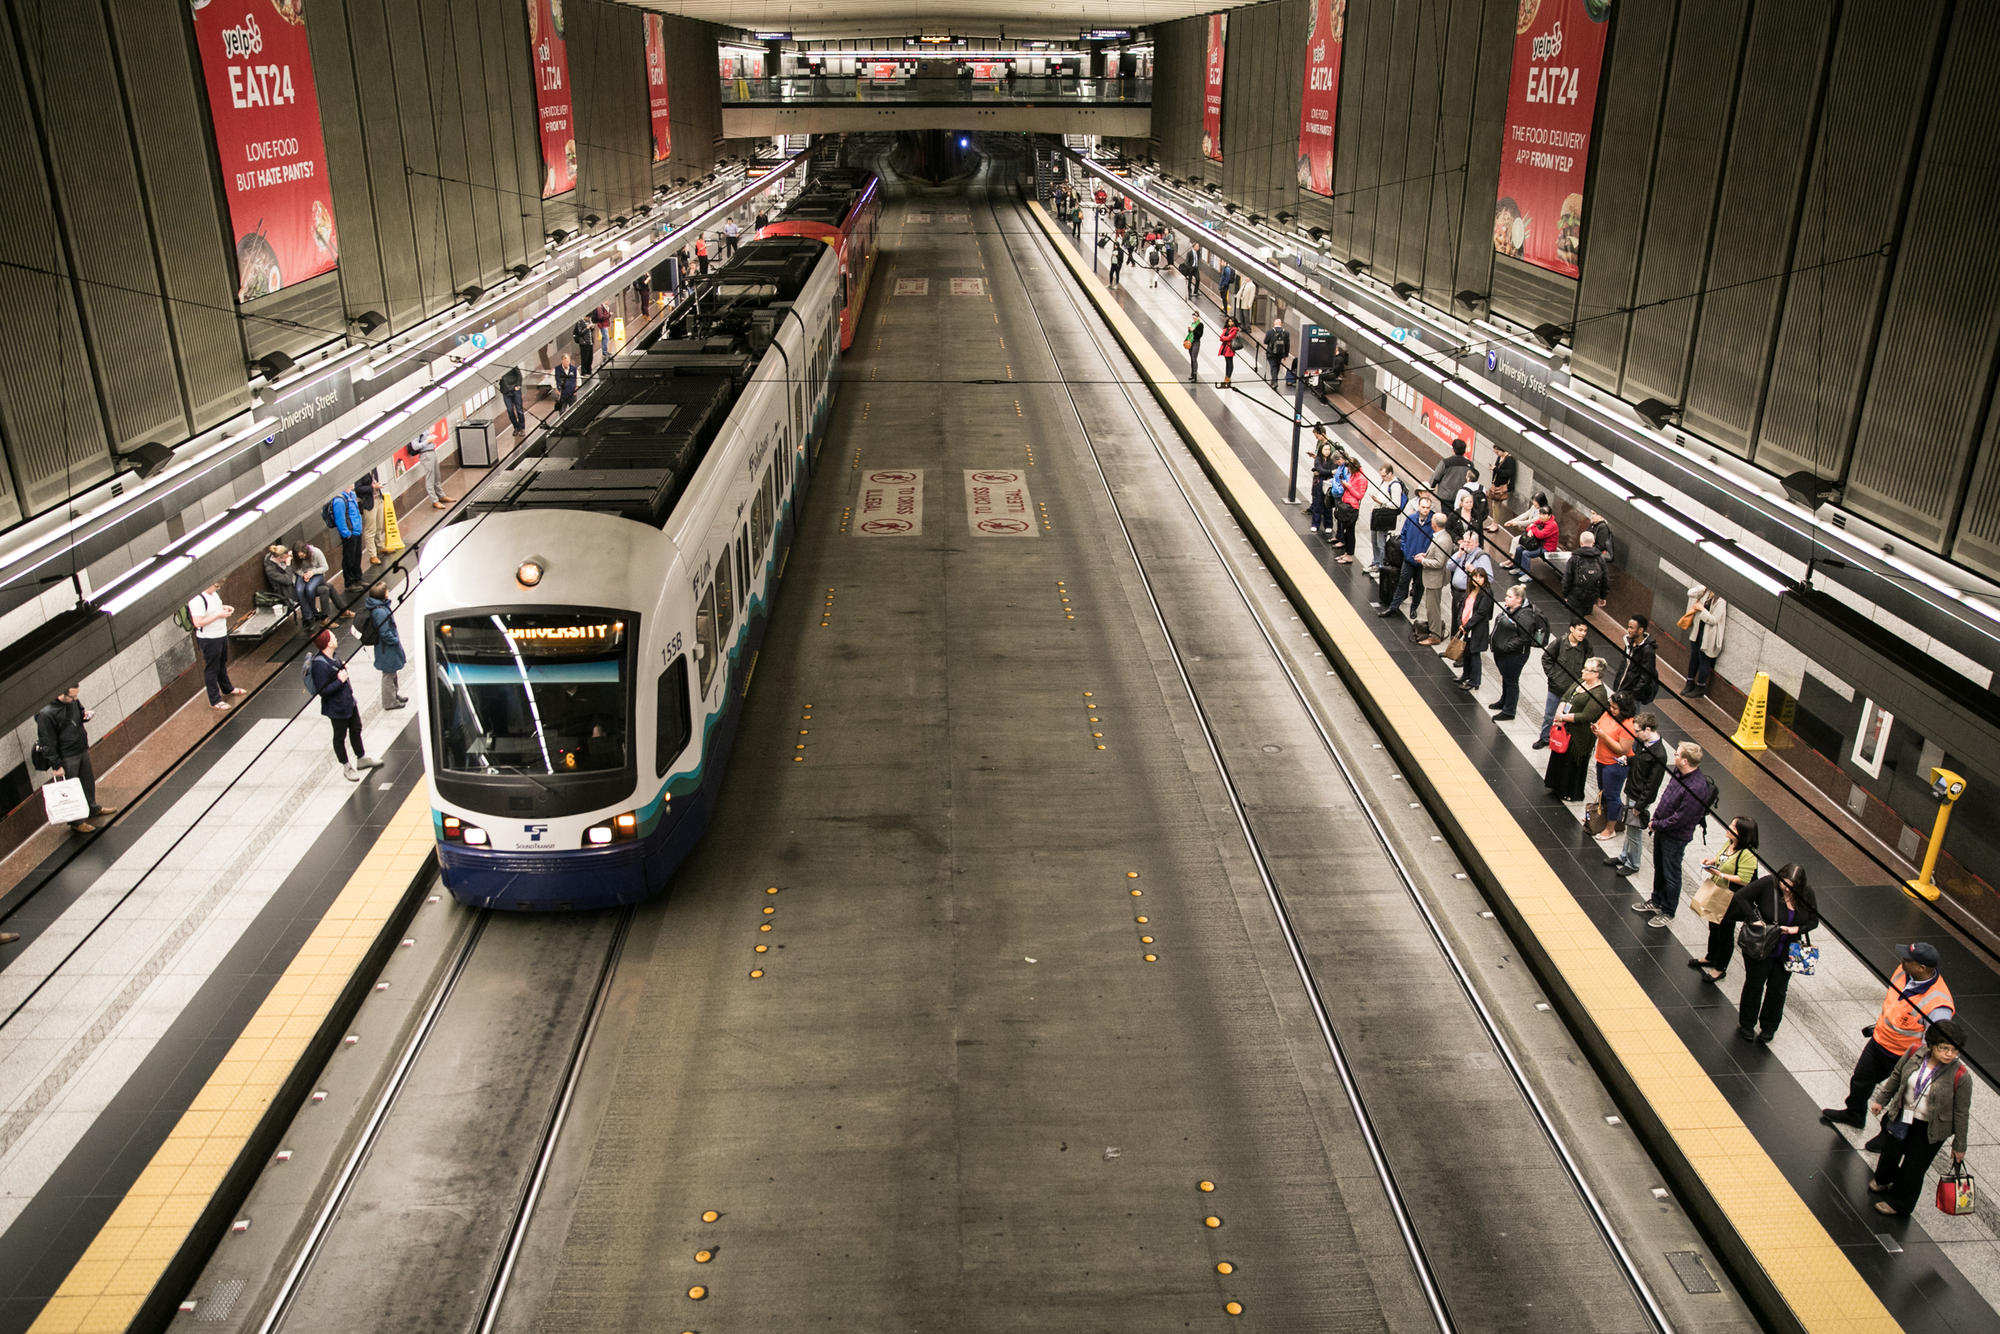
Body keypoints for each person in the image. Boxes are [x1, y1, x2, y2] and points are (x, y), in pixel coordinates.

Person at [1823, 942, 1956, 1129]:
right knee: (1861, 1079)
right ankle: (1854, 1114)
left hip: (1903, 1057)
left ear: (1922, 967)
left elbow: (1934, 1043)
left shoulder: (1938, 1005)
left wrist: (1920, 1068)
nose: (1902, 960)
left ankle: (1888, 1135)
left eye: (1907, 959)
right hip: (1879, 1041)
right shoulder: (1903, 972)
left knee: (1901, 1098)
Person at [1866, 1018, 1970, 1218]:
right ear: (1931, 1046)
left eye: (1955, 1050)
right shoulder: (1915, 1052)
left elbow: (1961, 1112)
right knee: (1890, 1152)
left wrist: (1960, 1145)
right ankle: (1883, 1179)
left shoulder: (1960, 1075)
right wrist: (1881, 1099)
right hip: (1903, 1115)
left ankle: (1900, 1203)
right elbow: (1897, 1076)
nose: (1950, 1054)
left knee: (1914, 1167)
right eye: (1944, 1048)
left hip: (1930, 1128)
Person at [1732, 865, 1818, 1042]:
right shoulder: (1767, 884)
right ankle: (1747, 1024)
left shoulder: (1807, 893)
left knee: (1778, 990)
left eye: (1791, 886)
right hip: (1761, 946)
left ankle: (1769, 1027)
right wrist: (1754, 919)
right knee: (1754, 985)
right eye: (1784, 884)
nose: (1786, 889)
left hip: (1787, 950)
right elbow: (1741, 896)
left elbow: (1814, 920)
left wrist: (1797, 929)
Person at [1633, 743, 1716, 927]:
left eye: (1677, 754)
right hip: (1663, 829)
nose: (1675, 756)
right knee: (1660, 867)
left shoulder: (1696, 788)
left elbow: (1681, 818)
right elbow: (1667, 798)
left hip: (1675, 836)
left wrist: (1657, 824)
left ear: (1685, 761)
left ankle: (1668, 910)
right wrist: (1657, 820)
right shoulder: (1679, 773)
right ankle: (1656, 901)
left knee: (1671, 873)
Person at [1690, 815, 1763, 979]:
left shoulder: (1748, 854)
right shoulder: (1730, 844)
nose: (1729, 827)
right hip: (1718, 892)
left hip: (1731, 898)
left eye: (1734, 827)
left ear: (1743, 833)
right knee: (1713, 926)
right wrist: (1711, 862)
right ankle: (1711, 957)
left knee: (1725, 932)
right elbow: (1721, 858)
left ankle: (1720, 967)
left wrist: (1721, 874)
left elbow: (1744, 879)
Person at [36, 685, 116, 833]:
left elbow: (79, 713)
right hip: (66, 756)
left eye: (76, 695)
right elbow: (47, 742)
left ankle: (92, 808)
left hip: (80, 748)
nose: (75, 699)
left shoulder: (72, 701)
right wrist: (56, 765)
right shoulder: (46, 714)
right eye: (72, 697)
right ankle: (76, 822)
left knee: (87, 781)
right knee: (71, 789)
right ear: (61, 694)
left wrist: (85, 715)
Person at [306, 629, 381, 780]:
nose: (336, 637)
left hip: (348, 702)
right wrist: (340, 680)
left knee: (356, 728)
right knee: (340, 736)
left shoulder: (332, 656)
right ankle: (346, 766)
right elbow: (323, 691)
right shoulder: (319, 665)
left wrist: (342, 669)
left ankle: (361, 757)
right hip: (337, 707)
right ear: (328, 643)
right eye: (333, 636)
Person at [1607, 712, 1668, 876]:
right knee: (1629, 826)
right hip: (1632, 789)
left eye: (1637, 731)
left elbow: (1653, 784)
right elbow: (1640, 762)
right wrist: (1628, 760)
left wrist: (1640, 805)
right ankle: (1624, 856)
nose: (1635, 734)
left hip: (1640, 797)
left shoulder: (1659, 754)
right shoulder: (1644, 743)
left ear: (1648, 729)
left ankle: (1633, 864)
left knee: (1634, 831)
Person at [1543, 657, 1609, 802]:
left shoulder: (1599, 694)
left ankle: (1568, 791)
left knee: (1572, 763)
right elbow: (1566, 696)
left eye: (1587, 670)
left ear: (1596, 674)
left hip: (1580, 735)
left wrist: (1563, 718)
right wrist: (1559, 715)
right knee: (1559, 758)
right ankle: (1555, 785)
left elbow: (1586, 715)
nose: (1583, 671)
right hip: (1565, 728)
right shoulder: (1581, 681)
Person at [1487, 583, 1543, 720]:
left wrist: (1506, 647)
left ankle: (1509, 710)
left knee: (1511, 681)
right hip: (1503, 652)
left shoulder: (1525, 616)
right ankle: (1504, 700)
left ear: (1519, 599)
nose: (1505, 598)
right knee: (1506, 678)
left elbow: (1524, 638)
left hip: (1515, 655)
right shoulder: (1510, 609)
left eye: (1509, 596)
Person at [1380, 497, 1436, 626]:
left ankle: (1413, 608)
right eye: (1423, 507)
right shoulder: (1411, 519)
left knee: (1419, 586)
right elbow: (1403, 535)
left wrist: (1426, 556)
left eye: (1428, 507)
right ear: (1418, 507)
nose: (1425, 510)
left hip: (1423, 563)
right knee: (1402, 583)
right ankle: (1393, 607)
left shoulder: (1433, 522)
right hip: (1409, 559)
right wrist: (1406, 550)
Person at [187, 581, 242, 710]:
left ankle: (227, 688)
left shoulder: (213, 595)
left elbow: (214, 608)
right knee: (212, 668)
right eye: (216, 586)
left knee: (222, 663)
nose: (217, 589)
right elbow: (198, 622)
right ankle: (215, 700)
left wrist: (225, 608)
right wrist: (218, 615)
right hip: (209, 638)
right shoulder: (197, 600)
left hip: (220, 633)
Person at [1535, 620, 1590, 748]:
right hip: (1556, 688)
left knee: (1568, 718)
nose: (1583, 634)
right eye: (1580, 630)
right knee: (1550, 715)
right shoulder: (1559, 643)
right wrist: (1554, 677)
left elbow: (1589, 664)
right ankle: (1545, 738)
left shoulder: (1586, 646)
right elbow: (1546, 659)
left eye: (1585, 631)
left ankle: (1563, 740)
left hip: (1574, 692)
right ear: (1572, 629)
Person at [1590, 693, 1636, 835]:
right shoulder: (1608, 713)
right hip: (1602, 759)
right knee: (1603, 790)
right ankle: (1605, 818)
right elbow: (1600, 724)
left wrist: (1603, 736)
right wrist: (1596, 729)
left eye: (1615, 708)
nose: (1611, 709)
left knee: (1612, 795)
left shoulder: (1628, 725)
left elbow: (1622, 749)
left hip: (1615, 764)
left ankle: (1611, 828)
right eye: (1611, 706)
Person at [360, 588, 408, 709]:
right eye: (386, 590)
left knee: (392, 672)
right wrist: (394, 640)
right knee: (389, 674)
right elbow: (384, 632)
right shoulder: (380, 612)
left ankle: (394, 695)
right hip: (386, 648)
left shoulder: (380, 607)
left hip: (386, 647)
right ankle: (389, 701)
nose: (388, 591)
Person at [1413, 513, 1453, 646]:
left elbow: (1439, 563)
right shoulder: (1443, 536)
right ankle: (1434, 630)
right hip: (1434, 578)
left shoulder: (1442, 540)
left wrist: (1423, 561)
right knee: (1432, 606)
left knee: (1432, 608)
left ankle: (1435, 635)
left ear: (1434, 525)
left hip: (1435, 579)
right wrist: (1426, 555)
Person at [1453, 569, 1494, 691]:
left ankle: (1474, 681)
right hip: (1466, 627)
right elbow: (1462, 606)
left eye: (1480, 577)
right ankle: (1466, 675)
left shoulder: (1486, 593)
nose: (1477, 579)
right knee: (1466, 653)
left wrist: (1466, 626)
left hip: (1477, 629)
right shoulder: (1470, 591)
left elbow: (1481, 613)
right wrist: (1460, 622)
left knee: (1474, 654)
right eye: (1475, 577)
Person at [1684, 586, 1726, 696]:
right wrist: (1702, 587)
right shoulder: (1705, 591)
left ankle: (1700, 687)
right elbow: (1690, 593)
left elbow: (1714, 620)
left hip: (1708, 635)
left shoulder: (1721, 600)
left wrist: (1702, 609)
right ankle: (1689, 682)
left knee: (1704, 660)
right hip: (1697, 631)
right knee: (1694, 657)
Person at [1505, 496, 1558, 578]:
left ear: (1549, 515)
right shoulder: (1542, 519)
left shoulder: (1552, 525)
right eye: (1540, 514)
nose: (1541, 516)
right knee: (1519, 549)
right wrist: (1531, 528)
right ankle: (1518, 567)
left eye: (1544, 514)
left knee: (1526, 553)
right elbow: (1530, 526)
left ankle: (1527, 574)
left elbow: (1540, 535)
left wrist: (1532, 529)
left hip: (1546, 547)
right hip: (1537, 543)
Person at [1446, 529, 1493, 621]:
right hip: (1456, 593)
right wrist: (1459, 554)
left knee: (1463, 621)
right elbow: (1449, 566)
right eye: (1465, 541)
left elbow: (1490, 578)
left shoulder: (1482, 557)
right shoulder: (1463, 552)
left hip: (1468, 594)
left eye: (1469, 542)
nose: (1466, 544)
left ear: (1476, 543)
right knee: (1455, 621)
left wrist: (1473, 571)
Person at [1368, 464, 1407, 572]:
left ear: (1390, 473)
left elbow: (1396, 504)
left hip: (1384, 516)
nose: (1382, 478)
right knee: (1374, 540)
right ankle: (1375, 562)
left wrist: (1381, 502)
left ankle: (1381, 566)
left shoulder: (1395, 485)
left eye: (1384, 475)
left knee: (1381, 542)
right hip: (1377, 513)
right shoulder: (1384, 481)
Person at [1563, 530, 1610, 617]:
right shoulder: (1600, 558)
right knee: (1584, 619)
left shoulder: (1574, 558)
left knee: (1575, 619)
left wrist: (1565, 594)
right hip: (1592, 596)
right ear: (1593, 542)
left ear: (1580, 542)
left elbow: (1567, 578)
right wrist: (1602, 596)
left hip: (1575, 595)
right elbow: (1605, 579)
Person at [326, 486, 364, 588]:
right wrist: (346, 534)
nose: (353, 483)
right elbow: (340, 519)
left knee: (357, 556)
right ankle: (350, 582)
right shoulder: (339, 500)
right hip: (350, 534)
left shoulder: (352, 495)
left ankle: (358, 578)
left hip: (357, 531)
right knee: (349, 559)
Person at [1617, 616, 1659, 704]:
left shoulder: (1648, 651)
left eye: (1631, 628)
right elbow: (1624, 666)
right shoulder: (1629, 643)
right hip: (1621, 689)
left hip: (1631, 697)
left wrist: (1632, 696)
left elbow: (1645, 677)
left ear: (1640, 630)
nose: (1628, 630)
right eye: (1628, 627)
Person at [293, 542, 338, 623]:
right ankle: (308, 615)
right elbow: (296, 569)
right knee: (299, 591)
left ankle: (314, 612)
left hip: (316, 573)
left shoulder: (316, 552)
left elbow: (325, 567)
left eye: (302, 556)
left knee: (310, 589)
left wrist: (312, 572)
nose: (301, 558)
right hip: (303, 574)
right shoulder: (296, 558)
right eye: (299, 557)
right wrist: (304, 575)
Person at [410, 430, 454, 510]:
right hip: (425, 454)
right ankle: (434, 500)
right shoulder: (416, 431)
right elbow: (415, 446)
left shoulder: (425, 429)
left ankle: (441, 496)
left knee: (437, 476)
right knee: (430, 478)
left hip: (432, 452)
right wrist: (428, 441)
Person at [1333, 464, 1368, 564]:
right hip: (1346, 505)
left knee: (1350, 532)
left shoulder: (1361, 479)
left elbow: (1359, 495)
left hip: (1352, 508)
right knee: (1346, 532)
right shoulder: (1352, 475)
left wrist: (1348, 486)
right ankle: (1347, 553)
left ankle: (1349, 555)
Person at [1428, 439, 1472, 504]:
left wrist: (1430, 487)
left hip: (1446, 496)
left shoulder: (1446, 462)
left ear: (1453, 449)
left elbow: (1436, 477)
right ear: (1464, 451)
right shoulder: (1469, 465)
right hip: (1462, 498)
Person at [1307, 440, 1337, 534]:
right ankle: (1315, 524)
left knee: (1328, 504)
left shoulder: (1332, 460)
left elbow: (1323, 470)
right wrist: (1330, 472)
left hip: (1328, 484)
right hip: (1319, 484)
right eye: (1325, 449)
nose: (1327, 451)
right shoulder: (1318, 459)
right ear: (1321, 450)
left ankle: (1328, 525)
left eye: (1328, 449)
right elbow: (1322, 469)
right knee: (1317, 505)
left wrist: (1323, 472)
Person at [355, 470, 382, 568]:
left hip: (378, 498)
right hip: (369, 502)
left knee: (379, 525)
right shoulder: (360, 472)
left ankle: (380, 546)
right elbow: (358, 489)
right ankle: (372, 555)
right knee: (371, 529)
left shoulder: (373, 468)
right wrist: (372, 487)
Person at [263, 543, 297, 613]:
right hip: (286, 591)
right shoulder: (270, 569)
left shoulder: (280, 556)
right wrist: (288, 565)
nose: (287, 558)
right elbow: (288, 581)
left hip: (295, 582)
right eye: (285, 557)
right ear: (279, 558)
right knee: (307, 592)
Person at [498, 364, 527, 433]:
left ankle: (522, 427)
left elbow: (519, 375)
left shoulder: (511, 364)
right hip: (506, 391)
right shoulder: (498, 368)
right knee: (510, 410)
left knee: (519, 409)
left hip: (515, 389)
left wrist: (518, 385)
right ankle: (516, 427)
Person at [1265, 320, 1290, 387]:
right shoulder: (1286, 333)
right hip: (1281, 354)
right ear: (1281, 324)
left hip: (1271, 353)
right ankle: (1274, 380)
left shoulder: (1270, 332)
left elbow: (1265, 341)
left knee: (1273, 367)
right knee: (1277, 366)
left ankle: (1275, 382)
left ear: (1274, 324)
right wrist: (1286, 355)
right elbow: (1287, 344)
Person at [1217, 318, 1240, 386]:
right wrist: (1224, 338)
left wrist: (1224, 338)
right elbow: (1221, 337)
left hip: (1230, 347)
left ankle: (1228, 377)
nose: (1230, 322)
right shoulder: (1226, 329)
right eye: (1229, 321)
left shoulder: (1235, 329)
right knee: (1227, 362)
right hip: (1225, 347)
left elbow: (1230, 337)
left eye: (1231, 321)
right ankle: (1226, 377)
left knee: (1230, 362)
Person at [1184, 314, 1204, 381]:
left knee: (1194, 358)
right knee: (1191, 358)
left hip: (1196, 342)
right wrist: (1189, 330)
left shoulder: (1200, 325)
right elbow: (1190, 333)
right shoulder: (1192, 324)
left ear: (1198, 317)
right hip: (1190, 342)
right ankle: (1192, 374)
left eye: (1195, 317)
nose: (1194, 318)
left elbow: (1199, 335)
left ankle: (1195, 376)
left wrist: (1193, 330)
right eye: (1193, 317)